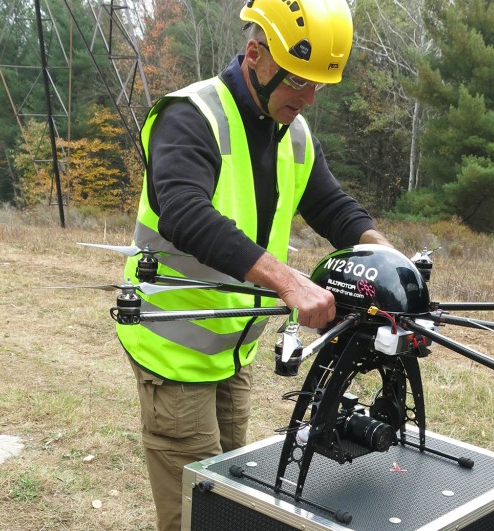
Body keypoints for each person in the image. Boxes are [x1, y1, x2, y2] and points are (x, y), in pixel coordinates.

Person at [116, 0, 390, 528]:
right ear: (255, 55)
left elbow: (333, 208)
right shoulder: (190, 116)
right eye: (297, 82)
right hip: (173, 345)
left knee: (231, 500)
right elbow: (184, 213)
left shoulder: (292, 132)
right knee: (197, 510)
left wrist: (388, 260)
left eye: (318, 87)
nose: (308, 99)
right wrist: (289, 281)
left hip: (231, 346)